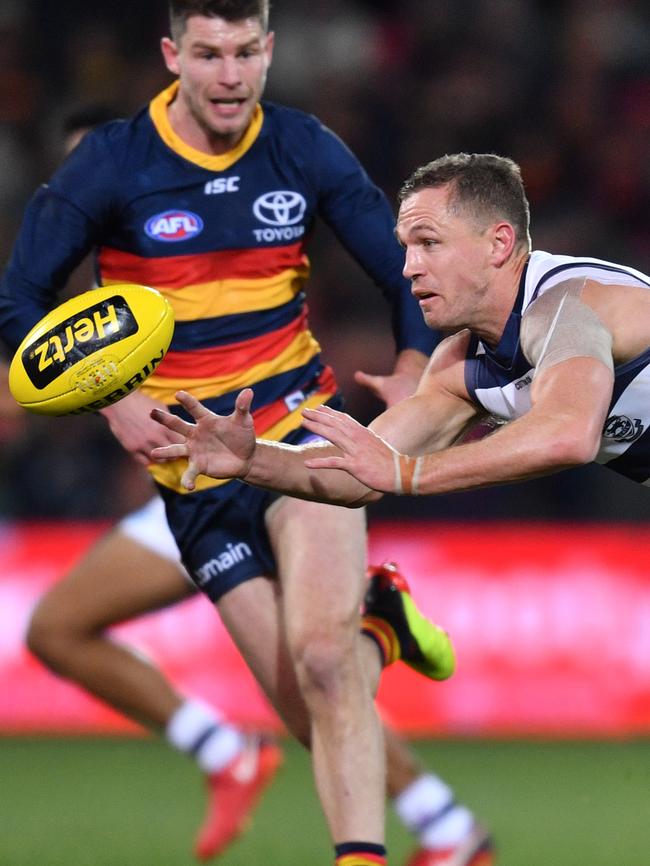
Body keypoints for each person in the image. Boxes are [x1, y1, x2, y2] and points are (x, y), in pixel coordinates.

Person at [0, 4, 493, 864]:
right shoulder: (114, 162)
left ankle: (374, 851)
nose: (227, 74)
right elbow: (18, 298)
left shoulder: (301, 147)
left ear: (268, 52)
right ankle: (382, 628)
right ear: (171, 55)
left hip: (299, 433)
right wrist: (108, 401)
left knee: (324, 665)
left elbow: (403, 266)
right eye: (207, 53)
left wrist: (415, 362)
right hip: (193, 477)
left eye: (243, 53)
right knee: (305, 703)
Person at [147, 151, 650, 561]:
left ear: (499, 243)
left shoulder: (566, 304)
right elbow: (362, 468)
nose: (409, 268)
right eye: (406, 247)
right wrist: (254, 459)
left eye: (429, 243)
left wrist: (409, 476)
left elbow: (568, 435)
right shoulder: (459, 363)